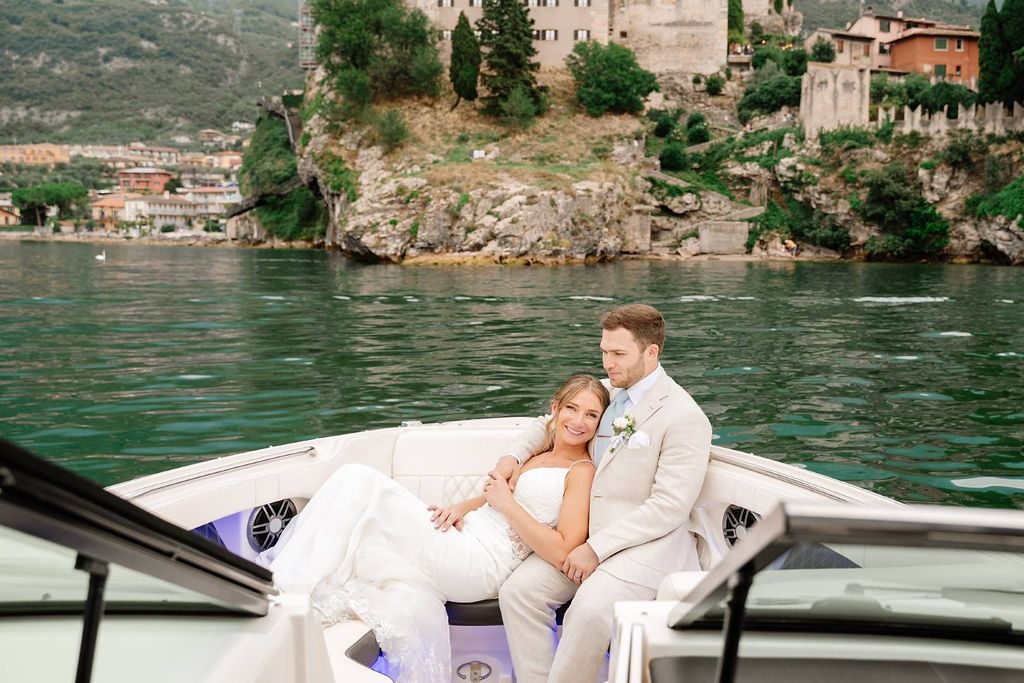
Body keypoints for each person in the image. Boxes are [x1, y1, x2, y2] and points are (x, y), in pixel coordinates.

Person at [260, 374, 609, 682]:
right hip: (467, 533)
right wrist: (460, 508)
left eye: (591, 415)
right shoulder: (536, 454)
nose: (579, 421)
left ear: (600, 422)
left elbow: (563, 548)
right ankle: (288, 588)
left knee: (359, 480)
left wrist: (507, 504)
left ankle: (283, 593)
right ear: (556, 408)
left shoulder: (581, 470)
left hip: (482, 562)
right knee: (360, 497)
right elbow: (493, 498)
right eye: (572, 409)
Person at [495, 304, 712, 683]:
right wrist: (511, 458)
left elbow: (669, 507)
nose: (607, 363)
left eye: (617, 354)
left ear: (651, 353)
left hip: (644, 549)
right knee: (518, 592)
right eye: (603, 351)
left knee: (589, 611)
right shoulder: (608, 392)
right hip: (584, 538)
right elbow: (544, 425)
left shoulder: (684, 416)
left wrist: (597, 548)